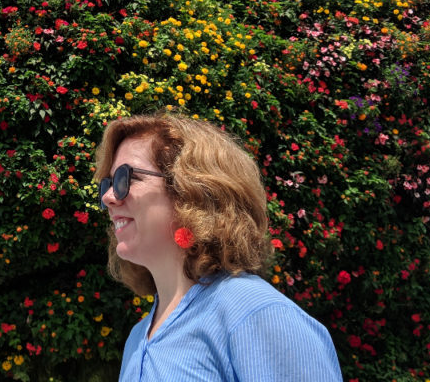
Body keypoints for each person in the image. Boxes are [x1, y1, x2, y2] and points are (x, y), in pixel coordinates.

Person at [95, 112, 343, 381]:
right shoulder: (137, 340)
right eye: (107, 184)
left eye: (125, 178)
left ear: (191, 190)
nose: (108, 197)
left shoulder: (255, 314)